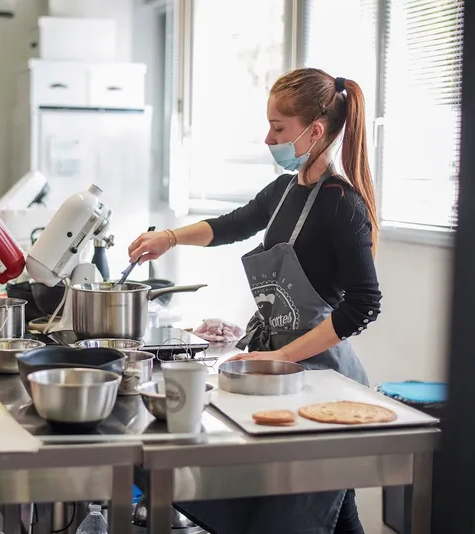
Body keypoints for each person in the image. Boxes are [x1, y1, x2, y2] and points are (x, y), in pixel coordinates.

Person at [128, 68, 380, 533]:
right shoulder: (286, 191)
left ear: (315, 130)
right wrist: (168, 237)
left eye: (279, 128)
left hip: (324, 380)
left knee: (300, 514)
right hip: (282, 370)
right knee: (327, 513)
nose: (268, 138)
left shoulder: (342, 205)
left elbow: (364, 304)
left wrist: (280, 357)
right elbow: (233, 224)